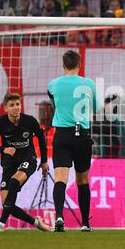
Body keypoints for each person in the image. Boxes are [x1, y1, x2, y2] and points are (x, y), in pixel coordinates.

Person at [47, 50, 101, 232]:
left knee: (60, 178)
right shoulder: (88, 83)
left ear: (63, 65)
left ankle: (59, 217)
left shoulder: (53, 84)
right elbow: (97, 108)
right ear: (80, 65)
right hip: (82, 135)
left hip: (62, 135)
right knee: (82, 179)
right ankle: (85, 223)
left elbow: (55, 104)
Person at [0, 93, 51, 232]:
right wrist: (3, 149)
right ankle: (36, 222)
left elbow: (41, 139)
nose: (16, 108)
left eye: (18, 104)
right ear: (6, 108)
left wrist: (44, 161)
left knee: (14, 182)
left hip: (28, 159)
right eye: (12, 105)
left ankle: (0, 224)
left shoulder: (30, 121)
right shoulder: (0, 122)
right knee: (7, 204)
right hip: (9, 163)